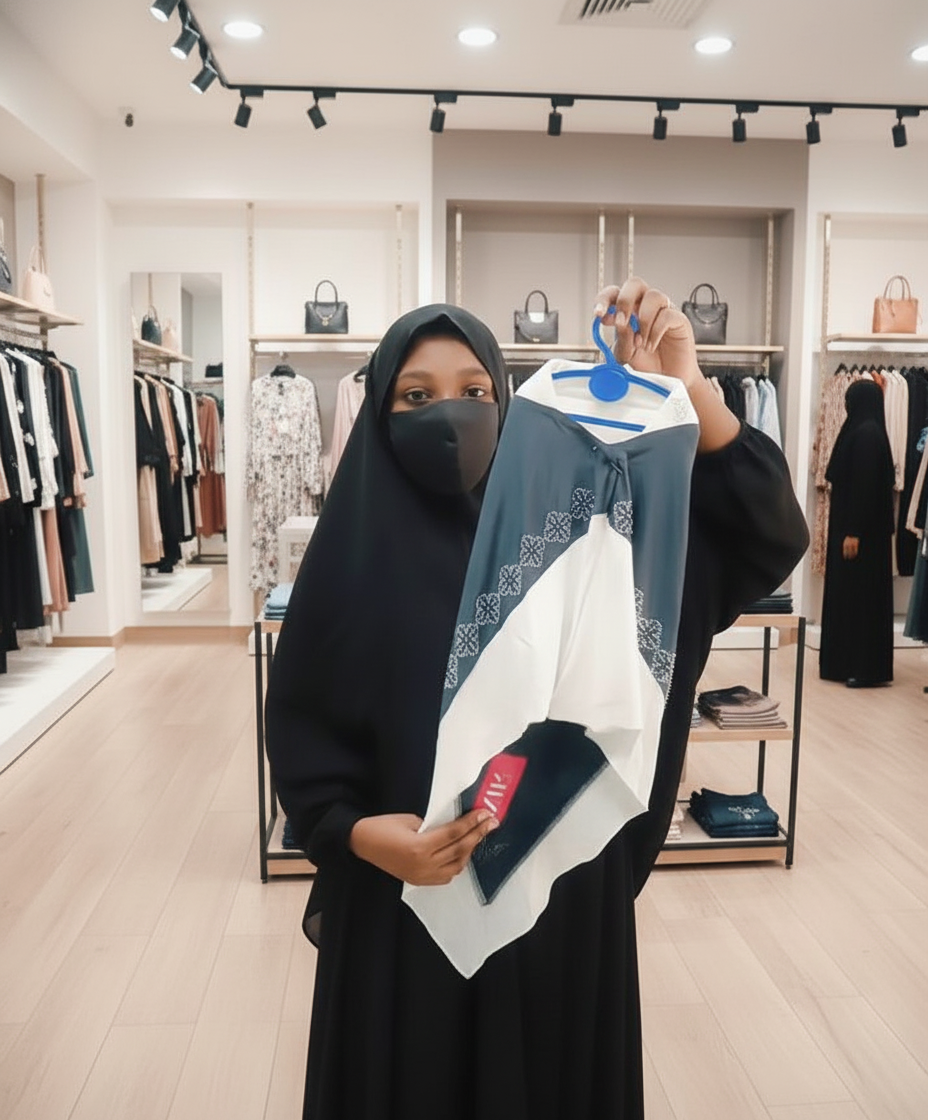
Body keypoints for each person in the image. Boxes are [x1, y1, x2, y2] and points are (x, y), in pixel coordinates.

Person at [265, 279, 809, 1120]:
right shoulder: (352, 566)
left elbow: (766, 533)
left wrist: (688, 390)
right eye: (417, 396)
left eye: (476, 392)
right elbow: (304, 744)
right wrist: (367, 839)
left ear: (508, 401)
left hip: (558, 905)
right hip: (404, 920)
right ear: (378, 412)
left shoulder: (581, 543)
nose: (451, 415)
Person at [819, 378, 896, 686]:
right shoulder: (867, 430)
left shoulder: (866, 435)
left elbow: (864, 488)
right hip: (859, 533)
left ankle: (864, 669)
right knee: (853, 598)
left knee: (861, 600)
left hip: (861, 536)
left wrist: (853, 532)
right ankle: (845, 664)